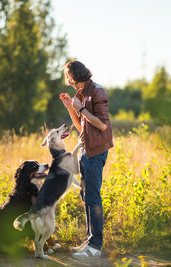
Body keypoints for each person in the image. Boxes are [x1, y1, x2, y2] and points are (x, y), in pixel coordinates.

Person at [59, 60, 113, 258]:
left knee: (93, 197)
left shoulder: (98, 92)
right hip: (85, 150)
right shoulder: (81, 94)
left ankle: (94, 247)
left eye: (69, 77)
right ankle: (90, 241)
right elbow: (82, 127)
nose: (68, 82)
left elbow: (102, 126)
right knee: (86, 196)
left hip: (96, 152)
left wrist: (81, 109)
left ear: (75, 76)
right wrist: (70, 108)